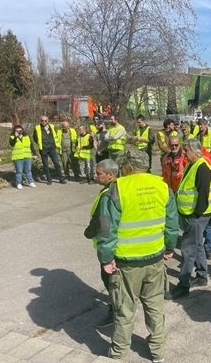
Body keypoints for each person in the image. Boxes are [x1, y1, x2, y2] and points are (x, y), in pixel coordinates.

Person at [94, 148, 179, 361]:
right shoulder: (162, 186)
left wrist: (106, 259)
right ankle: (157, 352)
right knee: (155, 307)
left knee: (124, 310)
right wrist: (169, 247)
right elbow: (171, 225)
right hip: (155, 259)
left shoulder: (117, 189)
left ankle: (119, 352)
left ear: (129, 167)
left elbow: (106, 229)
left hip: (126, 263)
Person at [170, 139, 211, 299]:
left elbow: (202, 195)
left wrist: (195, 215)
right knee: (197, 245)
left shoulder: (202, 167)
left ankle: (183, 285)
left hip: (197, 215)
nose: (184, 153)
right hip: (190, 213)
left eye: (186, 150)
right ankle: (202, 276)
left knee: (188, 249)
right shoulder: (192, 164)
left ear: (196, 151)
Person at [83, 158, 119, 327]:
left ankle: (114, 312)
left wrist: (88, 233)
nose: (95, 176)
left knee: (111, 281)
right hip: (117, 245)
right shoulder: (116, 188)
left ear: (110, 175)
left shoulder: (109, 194)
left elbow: (101, 222)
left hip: (109, 248)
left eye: (99, 174)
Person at [33, 116, 66, 185]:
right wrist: (40, 143)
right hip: (43, 148)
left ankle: (61, 178)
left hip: (52, 148)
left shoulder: (52, 126)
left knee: (56, 163)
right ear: (40, 121)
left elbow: (56, 135)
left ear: (48, 121)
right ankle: (49, 179)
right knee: (45, 164)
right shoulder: (37, 128)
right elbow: (35, 137)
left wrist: (55, 144)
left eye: (45, 121)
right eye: (42, 120)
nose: (44, 122)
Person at [9, 125, 37, 190]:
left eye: (20, 131)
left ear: (22, 130)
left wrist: (34, 153)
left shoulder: (26, 136)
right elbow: (11, 144)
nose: (19, 132)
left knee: (28, 170)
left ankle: (30, 182)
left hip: (27, 156)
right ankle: (18, 183)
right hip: (17, 157)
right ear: (14, 131)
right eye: (17, 131)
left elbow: (31, 145)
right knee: (19, 171)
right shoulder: (12, 137)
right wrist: (16, 137)